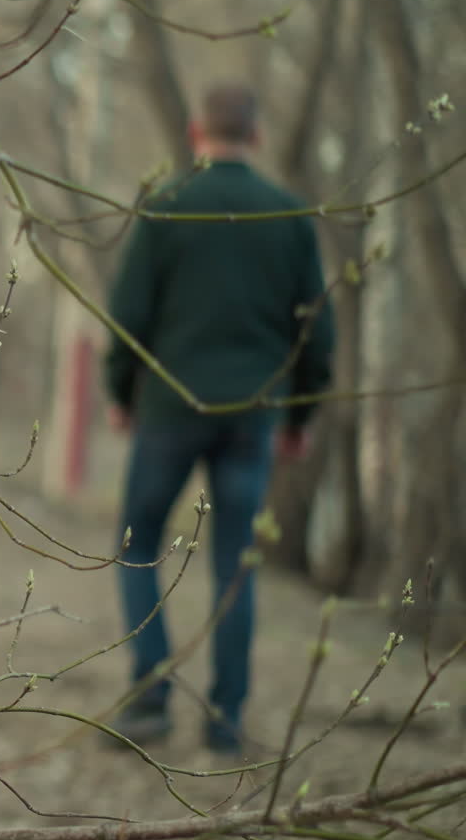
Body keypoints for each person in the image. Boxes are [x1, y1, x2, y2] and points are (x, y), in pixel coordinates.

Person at [104, 82, 335, 753]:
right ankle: (226, 717)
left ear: (196, 135)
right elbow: (318, 332)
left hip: (169, 411)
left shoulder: (167, 207)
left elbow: (128, 320)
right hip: (254, 415)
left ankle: (149, 697)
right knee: (235, 564)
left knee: (137, 543)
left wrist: (122, 394)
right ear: (256, 137)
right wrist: (302, 411)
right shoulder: (289, 216)